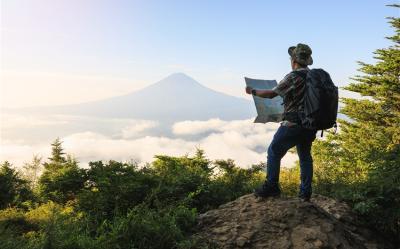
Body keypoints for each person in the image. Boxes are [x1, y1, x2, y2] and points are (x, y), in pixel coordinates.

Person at [245, 43, 317, 201]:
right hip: (311, 125)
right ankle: (305, 193)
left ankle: (272, 186)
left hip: (293, 124)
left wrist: (253, 91)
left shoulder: (293, 76)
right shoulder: (314, 77)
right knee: (305, 156)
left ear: (294, 60)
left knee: (274, 151)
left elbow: (272, 94)